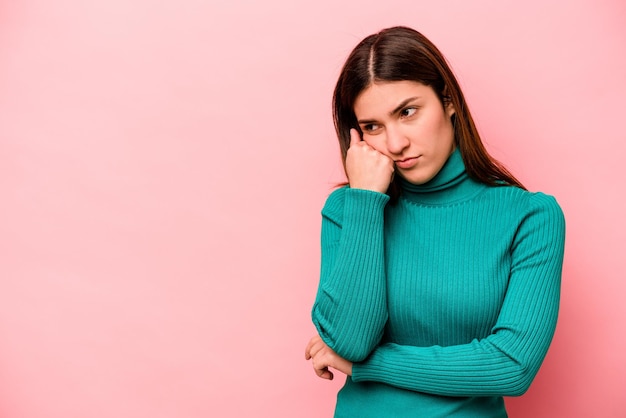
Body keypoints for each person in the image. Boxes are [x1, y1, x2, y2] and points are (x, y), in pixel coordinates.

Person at [304, 26, 566, 417]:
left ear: (447, 100)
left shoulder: (530, 216)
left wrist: (367, 366)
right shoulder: (350, 210)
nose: (394, 144)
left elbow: (512, 367)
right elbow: (352, 340)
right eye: (373, 127)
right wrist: (366, 201)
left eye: (407, 112)